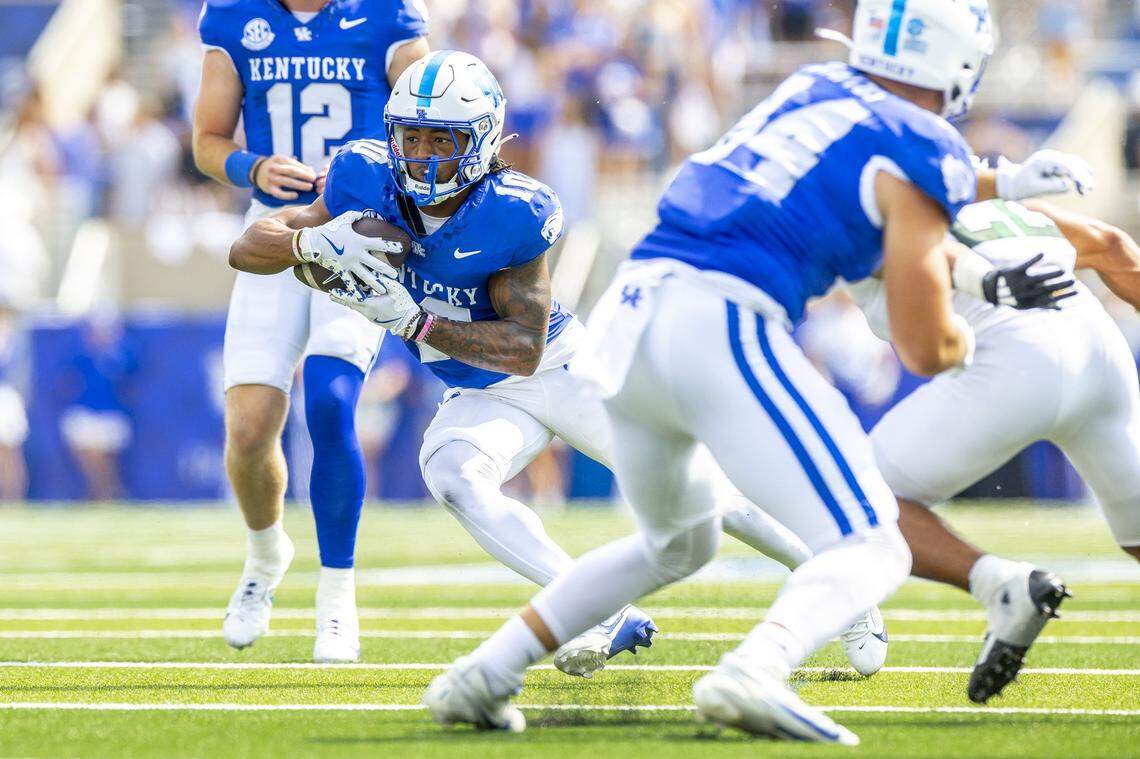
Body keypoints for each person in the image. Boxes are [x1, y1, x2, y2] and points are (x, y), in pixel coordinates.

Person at [420, 0, 1003, 742]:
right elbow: (923, 345)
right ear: (955, 63)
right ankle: (756, 668)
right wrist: (972, 343)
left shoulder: (813, 85)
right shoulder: (928, 141)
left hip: (637, 306)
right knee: (876, 540)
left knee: (678, 540)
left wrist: (1000, 189)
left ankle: (483, 674)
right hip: (719, 311)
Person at [228, 50, 892, 680]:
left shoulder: (517, 210)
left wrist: (414, 321)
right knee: (455, 477)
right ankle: (600, 610)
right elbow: (247, 246)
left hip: (565, 372)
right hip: (477, 395)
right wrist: (308, 240)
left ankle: (843, 589)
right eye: (413, 138)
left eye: (443, 141)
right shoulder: (360, 178)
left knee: (710, 497)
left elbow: (525, 348)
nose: (424, 157)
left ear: (483, 141)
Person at [192, 0, 429, 663]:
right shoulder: (237, 19)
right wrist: (252, 169)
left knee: (329, 403)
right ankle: (267, 555)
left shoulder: (389, 16)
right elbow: (207, 139)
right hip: (275, 231)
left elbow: (430, 122)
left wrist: (381, 184)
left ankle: (337, 598)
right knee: (248, 428)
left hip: (359, 232)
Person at [852, 198, 1140, 703]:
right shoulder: (1010, 204)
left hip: (1014, 355)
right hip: (1100, 351)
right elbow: (1113, 248)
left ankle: (1001, 587)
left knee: (851, 499)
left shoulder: (865, 210)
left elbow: (924, 344)